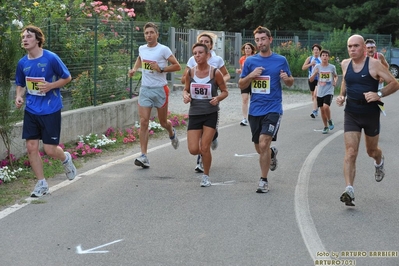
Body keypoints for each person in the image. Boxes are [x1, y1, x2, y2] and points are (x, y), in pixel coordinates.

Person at [336, 34, 399, 206]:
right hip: (351, 112)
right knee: (350, 151)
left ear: (364, 48)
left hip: (370, 113)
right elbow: (345, 81)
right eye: (349, 46)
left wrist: (378, 94)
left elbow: (394, 83)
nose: (352, 49)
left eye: (356, 46)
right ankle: (349, 189)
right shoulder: (345, 64)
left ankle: (379, 161)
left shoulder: (374, 64)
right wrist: (342, 96)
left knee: (371, 151)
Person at [14, 25, 77, 197]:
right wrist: (19, 96)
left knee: (50, 149)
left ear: (38, 40)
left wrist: (51, 86)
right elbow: (20, 83)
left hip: (50, 108)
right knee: (31, 147)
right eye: (23, 37)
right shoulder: (23, 63)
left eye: (28, 36)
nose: (24, 39)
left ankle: (65, 158)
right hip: (32, 109)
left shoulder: (51, 58)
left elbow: (67, 77)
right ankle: (41, 183)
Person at [238, 26, 294, 193]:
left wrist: (286, 78)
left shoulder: (280, 60)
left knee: (263, 142)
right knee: (259, 147)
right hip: (255, 110)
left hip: (273, 108)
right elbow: (241, 84)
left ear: (270, 40)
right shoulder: (250, 62)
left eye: (263, 39)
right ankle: (271, 153)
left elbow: (290, 82)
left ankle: (263, 180)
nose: (260, 42)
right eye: (257, 40)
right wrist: (250, 75)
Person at [128, 22, 181, 168]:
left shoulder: (163, 49)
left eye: (151, 32)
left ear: (157, 34)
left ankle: (171, 132)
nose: (149, 35)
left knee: (163, 122)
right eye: (146, 33)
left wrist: (161, 68)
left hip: (160, 90)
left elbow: (177, 66)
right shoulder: (142, 48)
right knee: (144, 121)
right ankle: (144, 156)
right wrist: (134, 69)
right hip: (145, 89)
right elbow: (140, 59)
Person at [181, 32, 231, 173]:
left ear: (207, 53)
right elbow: (185, 89)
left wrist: (217, 96)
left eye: (200, 53)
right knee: (193, 149)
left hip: (210, 112)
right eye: (195, 53)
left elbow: (225, 91)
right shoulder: (190, 71)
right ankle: (209, 141)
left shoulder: (215, 69)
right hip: (195, 112)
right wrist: (186, 96)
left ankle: (206, 175)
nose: (197, 55)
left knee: (204, 146)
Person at [309, 49, 338, 134]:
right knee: (322, 110)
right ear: (320, 57)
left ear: (329, 57)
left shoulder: (332, 67)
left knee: (326, 107)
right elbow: (311, 80)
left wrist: (335, 81)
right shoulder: (317, 66)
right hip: (320, 91)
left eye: (326, 55)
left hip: (329, 90)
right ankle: (325, 127)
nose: (325, 57)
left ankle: (329, 120)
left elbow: (336, 76)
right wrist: (315, 73)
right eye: (323, 55)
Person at [236, 42, 257, 126]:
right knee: (245, 99)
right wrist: (239, 71)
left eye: (249, 48)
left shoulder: (255, 58)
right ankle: (244, 118)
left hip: (254, 80)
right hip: (245, 80)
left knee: (254, 99)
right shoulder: (242, 59)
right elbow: (242, 70)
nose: (247, 50)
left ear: (252, 50)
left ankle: (254, 116)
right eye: (246, 48)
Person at [302, 44, 322, 118]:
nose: (316, 51)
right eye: (314, 50)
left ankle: (314, 111)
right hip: (311, 78)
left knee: (315, 95)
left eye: (317, 50)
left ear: (320, 51)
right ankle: (316, 108)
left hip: (319, 79)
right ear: (312, 51)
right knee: (313, 96)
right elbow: (303, 67)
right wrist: (311, 64)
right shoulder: (310, 58)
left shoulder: (322, 58)